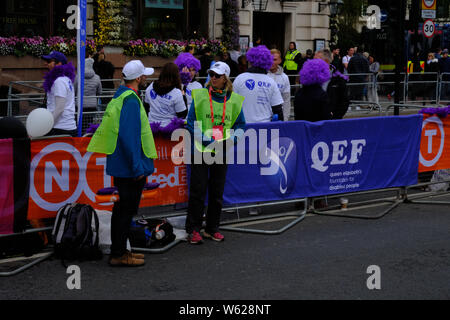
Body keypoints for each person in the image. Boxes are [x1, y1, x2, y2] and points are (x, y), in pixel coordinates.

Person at [87, 59, 157, 267]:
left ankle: (121, 251)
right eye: (144, 75)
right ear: (139, 78)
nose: (146, 77)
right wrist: (137, 167)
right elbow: (129, 137)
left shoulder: (121, 95)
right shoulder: (131, 100)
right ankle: (119, 254)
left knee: (122, 210)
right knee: (125, 211)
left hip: (122, 164)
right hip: (129, 167)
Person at [185, 61, 246, 244]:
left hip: (222, 151)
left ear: (225, 78)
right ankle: (193, 229)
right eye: (211, 74)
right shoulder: (201, 96)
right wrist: (206, 141)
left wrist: (232, 140)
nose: (213, 78)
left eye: (217, 75)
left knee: (217, 192)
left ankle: (212, 228)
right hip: (201, 150)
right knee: (198, 191)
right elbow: (190, 123)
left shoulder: (235, 100)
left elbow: (241, 126)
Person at [233, 45, 284, 123]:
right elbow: (277, 109)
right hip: (264, 127)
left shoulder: (240, 78)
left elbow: (232, 104)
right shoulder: (271, 82)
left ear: (250, 60)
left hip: (243, 125)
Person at [41, 51, 77, 137]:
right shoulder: (66, 79)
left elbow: (60, 108)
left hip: (60, 129)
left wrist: (47, 126)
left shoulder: (59, 81)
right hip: (65, 127)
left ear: (59, 63)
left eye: (49, 61)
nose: (46, 64)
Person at [144, 62, 188, 127]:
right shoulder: (176, 92)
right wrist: (183, 96)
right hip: (169, 130)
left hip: (152, 127)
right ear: (176, 76)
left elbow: (146, 107)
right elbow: (182, 115)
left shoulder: (150, 87)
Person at [314, 49, 350, 119]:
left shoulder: (338, 79)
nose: (313, 63)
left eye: (316, 60)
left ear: (326, 61)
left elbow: (345, 101)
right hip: (315, 121)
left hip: (332, 122)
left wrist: (335, 116)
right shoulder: (311, 78)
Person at [76, 57, 102, 133]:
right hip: (92, 105)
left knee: (79, 124)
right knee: (89, 124)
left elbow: (74, 90)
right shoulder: (97, 78)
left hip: (80, 105)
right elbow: (100, 92)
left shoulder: (78, 77)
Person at [268, 49, 291, 121]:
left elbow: (286, 99)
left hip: (278, 116)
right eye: (269, 59)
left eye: (274, 59)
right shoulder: (262, 75)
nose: (271, 62)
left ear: (280, 61)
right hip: (264, 116)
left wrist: (285, 118)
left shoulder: (284, 77)